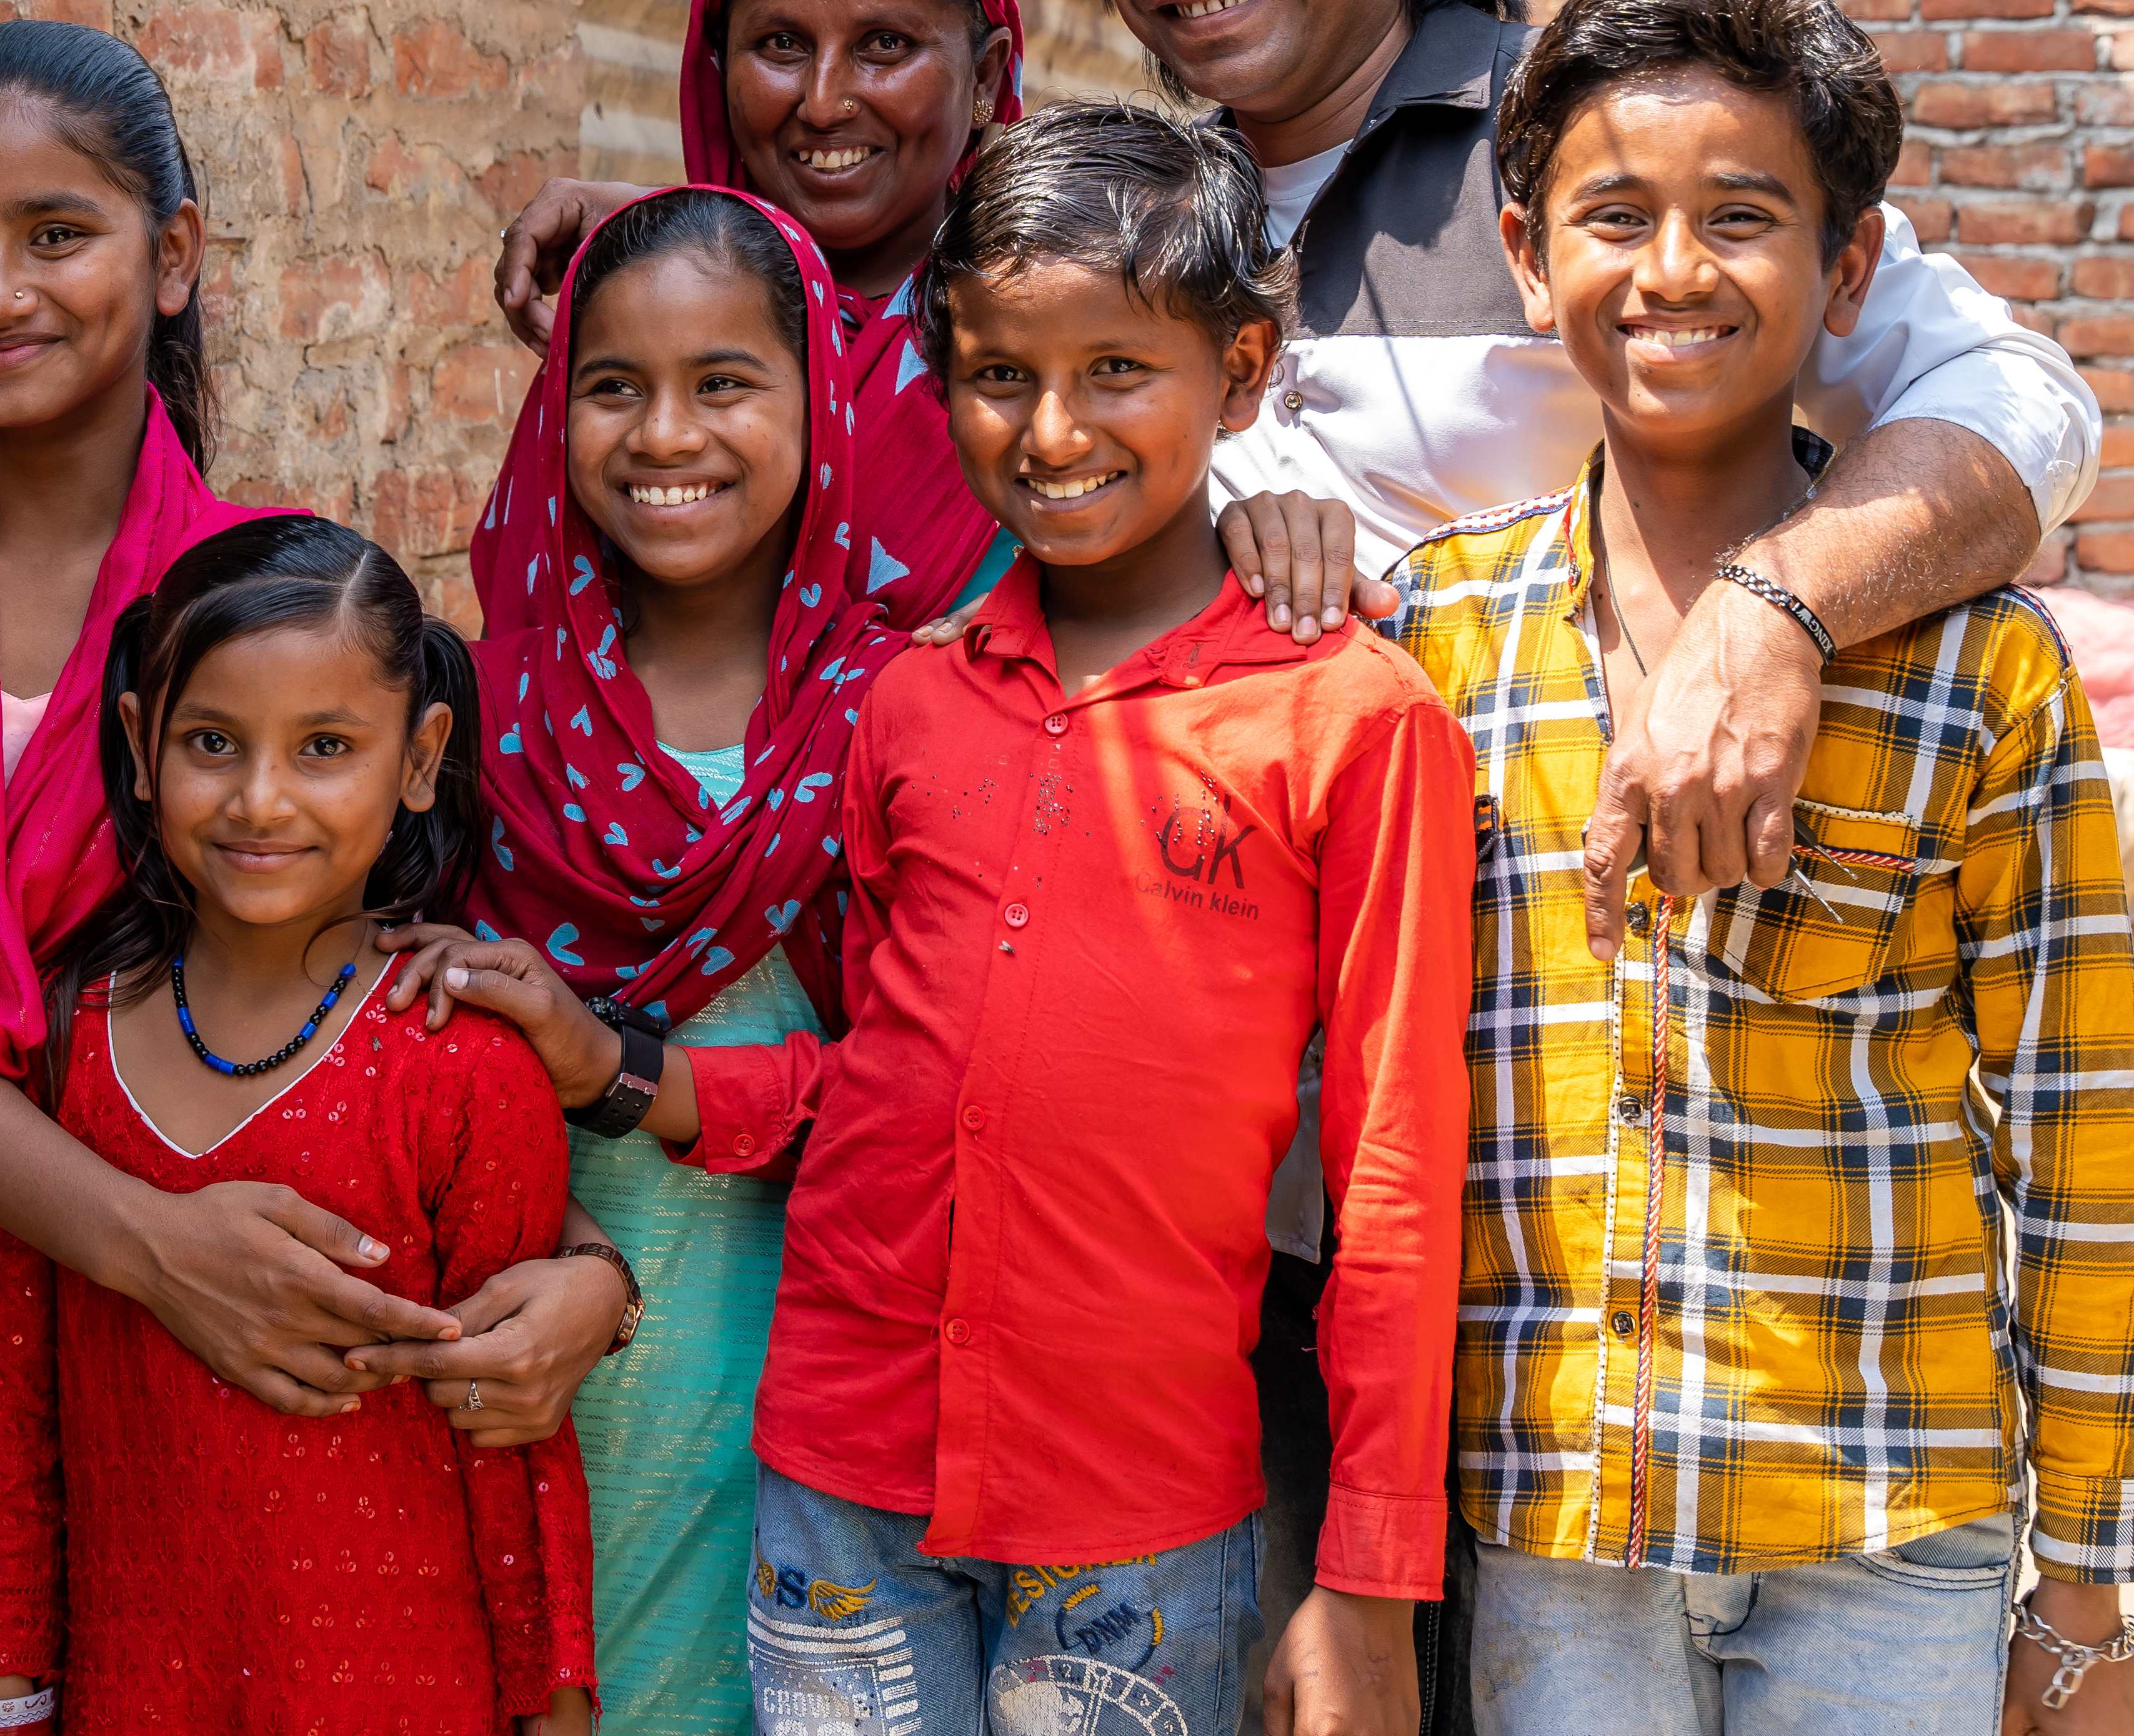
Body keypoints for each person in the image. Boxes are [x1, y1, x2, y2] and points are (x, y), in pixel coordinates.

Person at [1026, 0, 2110, 1704]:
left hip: (1570, 1177)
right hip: (1244, 1184)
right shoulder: (1142, 202)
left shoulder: (1581, 163)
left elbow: (2017, 401)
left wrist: (1766, 614)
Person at [399, 102, 1476, 1736]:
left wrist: (1371, 1579)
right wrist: (615, 1065)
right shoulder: (902, 702)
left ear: (1243, 375)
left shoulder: (1349, 717)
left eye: (1118, 369)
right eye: (996, 375)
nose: (1049, 431)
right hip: (839, 1470)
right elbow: (882, 1076)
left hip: (1134, 1510)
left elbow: (1394, 1179)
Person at [0, 22, 631, 1734]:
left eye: (56, 233)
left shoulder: (263, 627)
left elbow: (364, 1021)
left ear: (173, 259)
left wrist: (587, 1269)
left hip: (176, 1398)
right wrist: (160, 1248)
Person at [1382, 0, 2134, 1736]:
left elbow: (2080, 1135)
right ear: (1525, 254)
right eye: (1613, 217)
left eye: (1741, 216)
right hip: (1553, 1516)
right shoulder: (1433, 644)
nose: (1671, 271)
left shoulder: (1979, 667)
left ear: (1849, 271)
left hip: (1889, 1513)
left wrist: (2085, 1590)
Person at [0, 516, 597, 1735]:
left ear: (418, 755)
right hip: (136, 1694)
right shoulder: (68, 1040)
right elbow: (4, 1422)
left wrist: (552, 1715)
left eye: (325, 746)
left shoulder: (460, 1067)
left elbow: (517, 1454)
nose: (260, 798)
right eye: (212, 742)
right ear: (139, 744)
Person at [382, 184, 897, 1736]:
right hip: (526, 1357)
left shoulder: (902, 707)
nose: (663, 434)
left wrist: (622, 1072)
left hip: (821, 1368)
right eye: (612, 386)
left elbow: (919, 1094)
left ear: (820, 397)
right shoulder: (477, 713)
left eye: (724, 382)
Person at [489, 0, 1372, 638]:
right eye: (781, 44)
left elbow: (1164, 510)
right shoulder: (647, 317)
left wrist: (1267, 526)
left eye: (885, 45)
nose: (826, 100)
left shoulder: (1049, 326)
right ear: (719, 69)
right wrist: (648, 232)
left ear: (986, 75)